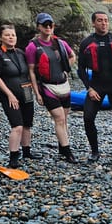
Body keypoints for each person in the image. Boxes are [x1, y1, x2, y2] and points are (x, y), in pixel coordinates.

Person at [26, 12, 78, 163]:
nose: (48, 27)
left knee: (64, 118)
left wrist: (65, 68)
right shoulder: (32, 47)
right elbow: (31, 71)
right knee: (60, 119)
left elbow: (72, 55)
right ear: (38, 27)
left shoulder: (60, 43)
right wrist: (37, 93)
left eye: (51, 25)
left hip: (63, 85)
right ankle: (68, 152)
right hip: (48, 87)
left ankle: (62, 146)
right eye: (45, 25)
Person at [0, 24, 40, 168]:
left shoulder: (20, 53)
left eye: (13, 35)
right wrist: (10, 95)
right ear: (1, 37)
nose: (11, 37)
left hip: (26, 91)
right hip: (9, 94)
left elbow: (31, 71)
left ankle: (27, 151)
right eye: (7, 35)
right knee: (17, 125)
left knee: (27, 124)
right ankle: (13, 157)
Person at [77, 11, 112, 162]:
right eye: (99, 20)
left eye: (105, 20)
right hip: (97, 86)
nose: (103, 23)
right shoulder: (86, 43)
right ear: (93, 23)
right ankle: (94, 151)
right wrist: (89, 88)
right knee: (88, 117)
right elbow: (81, 69)